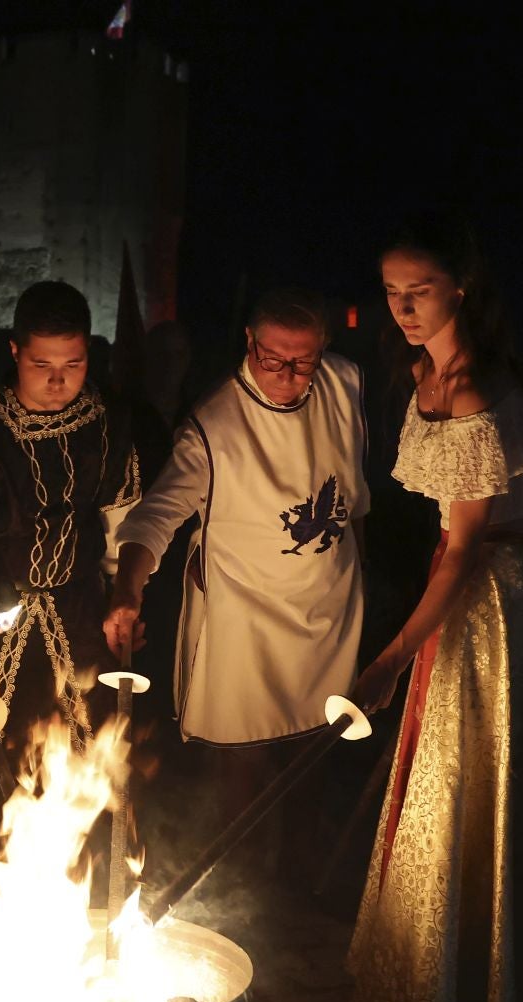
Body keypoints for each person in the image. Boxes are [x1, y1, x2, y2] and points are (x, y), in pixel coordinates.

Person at [344, 215, 523, 1002]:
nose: (404, 307)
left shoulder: (477, 387)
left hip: (494, 594)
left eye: (422, 291)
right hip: (456, 581)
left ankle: (478, 997)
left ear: (460, 290)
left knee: (472, 778)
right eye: (393, 292)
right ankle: (431, 980)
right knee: (438, 776)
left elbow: (470, 545)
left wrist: (390, 657)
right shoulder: (422, 373)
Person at [104, 288, 367, 870]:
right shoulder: (212, 424)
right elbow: (158, 514)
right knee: (240, 758)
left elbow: (354, 496)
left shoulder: (343, 384)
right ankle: (241, 881)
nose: (289, 375)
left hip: (326, 606)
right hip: (243, 612)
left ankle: (299, 877)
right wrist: (129, 588)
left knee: (313, 748)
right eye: (273, 358)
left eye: (304, 361)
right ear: (249, 343)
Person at [0, 281, 141, 778]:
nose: (58, 382)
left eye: (73, 365)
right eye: (42, 366)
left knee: (85, 770)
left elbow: (124, 523)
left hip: (82, 618)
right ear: (14, 351)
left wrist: (127, 591)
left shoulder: (107, 423)